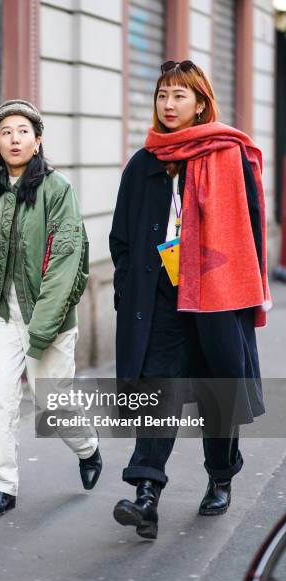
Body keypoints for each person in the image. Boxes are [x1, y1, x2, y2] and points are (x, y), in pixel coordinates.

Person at [109, 61, 271, 539]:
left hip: (217, 298)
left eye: (180, 95)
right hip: (159, 301)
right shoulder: (144, 163)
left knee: (216, 391)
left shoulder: (229, 154)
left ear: (200, 102)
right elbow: (122, 234)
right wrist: (127, 287)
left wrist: (245, 292)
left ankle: (220, 475)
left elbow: (253, 230)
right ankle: (146, 495)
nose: (169, 104)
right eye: (162, 95)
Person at [0, 99, 102, 517]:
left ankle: (88, 448)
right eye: (6, 132)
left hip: (49, 319)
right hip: (0, 315)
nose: (15, 138)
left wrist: (43, 328)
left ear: (37, 142)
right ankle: (4, 486)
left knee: (51, 405)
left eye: (23, 131)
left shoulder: (57, 190)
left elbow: (66, 259)